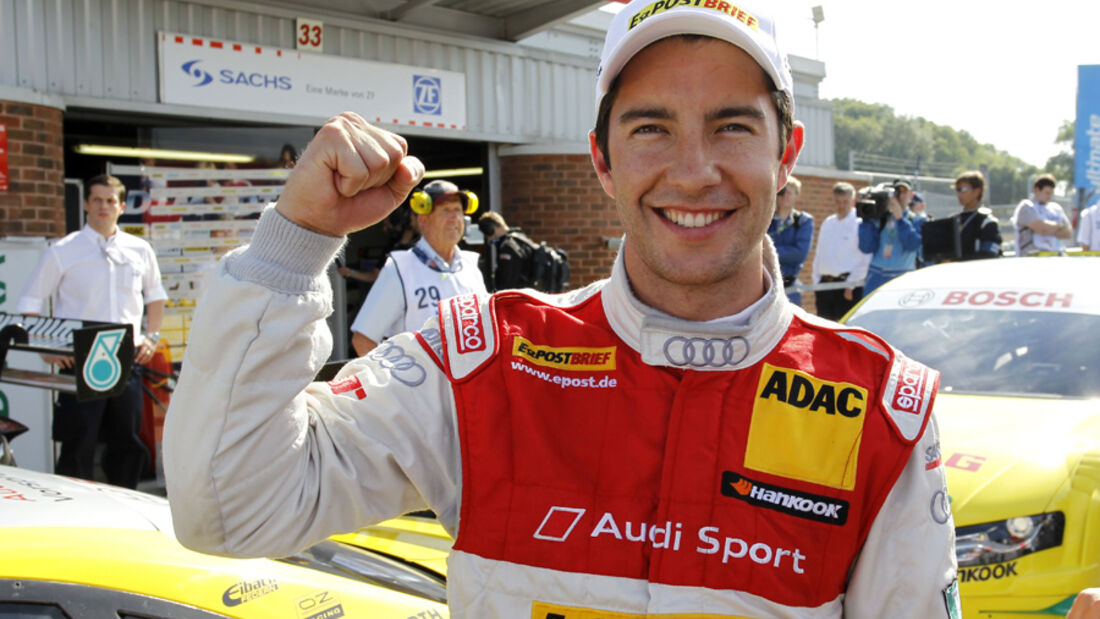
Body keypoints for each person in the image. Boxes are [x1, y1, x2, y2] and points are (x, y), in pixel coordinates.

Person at [163, 2, 958, 617]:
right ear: (602, 161)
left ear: (786, 156)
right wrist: (290, 245)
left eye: (732, 126)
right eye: (652, 128)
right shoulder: (484, 360)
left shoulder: (883, 411)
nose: (693, 169)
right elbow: (228, 508)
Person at [17, 174, 167, 488]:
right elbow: (30, 300)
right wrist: (45, 346)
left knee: (126, 439)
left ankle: (124, 506)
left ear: (122, 206)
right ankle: (74, 514)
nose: (103, 206)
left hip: (125, 354)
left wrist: (151, 337)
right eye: (97, 199)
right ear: (86, 204)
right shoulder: (63, 249)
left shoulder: (140, 249)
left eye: (110, 200)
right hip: (78, 354)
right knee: (78, 439)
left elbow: (155, 298)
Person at [348, 179, 486, 356]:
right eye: (445, 211)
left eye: (458, 211)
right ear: (423, 220)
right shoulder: (400, 269)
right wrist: (394, 383)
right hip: (420, 383)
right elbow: (363, 340)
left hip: (465, 383)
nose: (455, 219)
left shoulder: (470, 267)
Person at [812, 182, 871, 320]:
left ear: (853, 200)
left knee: (845, 330)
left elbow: (865, 257)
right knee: (824, 329)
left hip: (847, 288)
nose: (841, 206)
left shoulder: (860, 223)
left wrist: (851, 284)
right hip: (825, 286)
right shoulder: (828, 222)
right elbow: (819, 253)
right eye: (838, 202)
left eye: (845, 202)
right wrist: (817, 282)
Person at [858, 180, 925, 294]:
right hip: (876, 274)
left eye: (904, 192)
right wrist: (866, 218)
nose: (900, 196)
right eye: (897, 192)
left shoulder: (917, 219)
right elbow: (866, 248)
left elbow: (913, 245)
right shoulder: (882, 218)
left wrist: (900, 219)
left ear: (911, 195)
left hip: (901, 275)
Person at [767, 176, 813, 306]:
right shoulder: (767, 220)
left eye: (789, 192)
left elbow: (800, 254)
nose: (785, 196)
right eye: (782, 192)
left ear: (797, 196)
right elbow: (757, 248)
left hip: (790, 285)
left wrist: (770, 252)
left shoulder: (803, 221)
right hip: (767, 283)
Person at [477, 211, 537, 291]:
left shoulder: (507, 248)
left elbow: (507, 283)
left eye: (486, 233)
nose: (487, 238)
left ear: (490, 229)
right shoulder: (520, 238)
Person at [1014, 173, 1072, 256]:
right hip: (1031, 258)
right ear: (1037, 190)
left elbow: (1068, 233)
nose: (1050, 196)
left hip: (1054, 256)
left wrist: (1047, 227)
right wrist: (1059, 227)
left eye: (1051, 193)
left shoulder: (1056, 208)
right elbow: (1040, 228)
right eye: (1047, 193)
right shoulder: (1026, 206)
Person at [950, 170, 1002, 260]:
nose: (959, 194)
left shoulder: (987, 221)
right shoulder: (953, 220)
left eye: (963, 190)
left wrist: (958, 261)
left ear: (977, 191)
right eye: (957, 190)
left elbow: (989, 254)